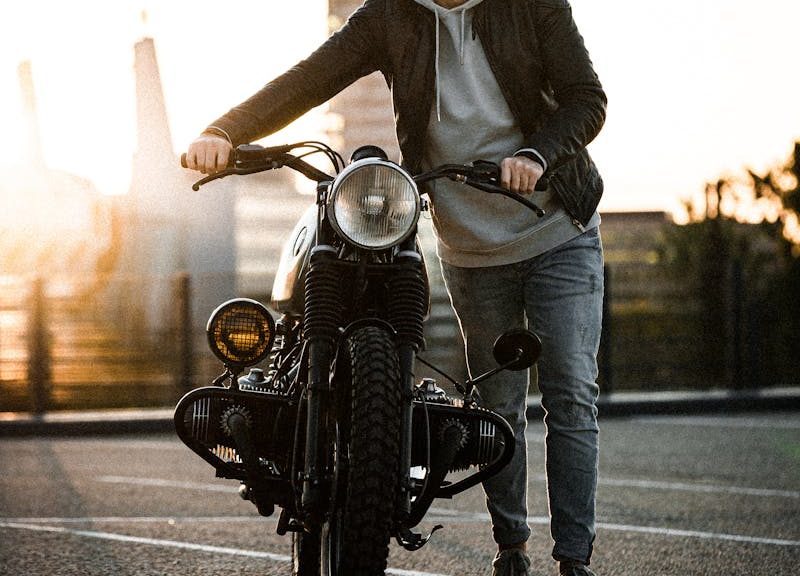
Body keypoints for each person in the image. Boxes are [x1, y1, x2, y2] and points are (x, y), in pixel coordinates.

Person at [185, 1, 606, 574]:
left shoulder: (533, 5)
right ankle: (512, 548)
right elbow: (311, 77)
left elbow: (587, 98)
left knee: (571, 395)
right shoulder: (391, 14)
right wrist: (225, 128)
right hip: (473, 247)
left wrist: (537, 154)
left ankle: (574, 560)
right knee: (500, 405)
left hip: (559, 229)